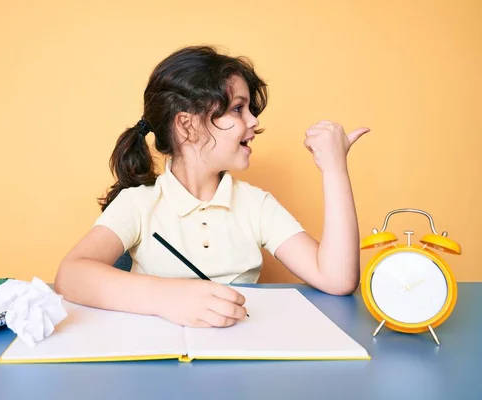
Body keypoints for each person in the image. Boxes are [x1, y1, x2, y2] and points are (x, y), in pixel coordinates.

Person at [54, 45, 369, 329]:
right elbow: (70, 276)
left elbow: (337, 278)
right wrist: (169, 298)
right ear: (187, 125)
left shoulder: (255, 205)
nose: (254, 122)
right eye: (237, 109)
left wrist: (335, 169)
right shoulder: (138, 204)